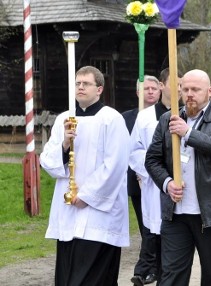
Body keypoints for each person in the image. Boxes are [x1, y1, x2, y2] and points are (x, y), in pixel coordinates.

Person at [144, 69, 211, 285]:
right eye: (184, 89)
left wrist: (188, 133)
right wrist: (167, 183)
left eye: (195, 89)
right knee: (171, 274)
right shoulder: (167, 119)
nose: (189, 94)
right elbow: (152, 159)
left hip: (210, 212)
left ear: (209, 91)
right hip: (175, 212)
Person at [40, 66, 129, 285]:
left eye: (86, 84)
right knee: (68, 277)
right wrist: (65, 144)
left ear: (99, 89)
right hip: (69, 211)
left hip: (100, 213)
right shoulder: (65, 119)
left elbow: (115, 164)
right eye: (77, 83)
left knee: (93, 278)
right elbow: (47, 160)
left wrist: (87, 196)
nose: (80, 87)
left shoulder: (112, 119)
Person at [128, 69, 181, 285]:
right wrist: (151, 170)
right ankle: (156, 273)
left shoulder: (188, 112)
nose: (178, 88)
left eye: (181, 84)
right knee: (157, 235)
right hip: (155, 185)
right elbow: (135, 150)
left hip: (181, 186)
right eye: (174, 83)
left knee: (177, 241)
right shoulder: (146, 117)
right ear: (162, 85)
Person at [122, 74, 163, 286]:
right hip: (136, 180)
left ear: (160, 91)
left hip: (160, 180)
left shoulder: (166, 114)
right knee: (145, 227)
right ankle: (149, 267)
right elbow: (127, 149)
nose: (149, 92)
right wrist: (138, 169)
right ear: (138, 92)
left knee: (158, 226)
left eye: (153, 88)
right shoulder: (126, 118)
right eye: (145, 88)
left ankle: (146, 268)